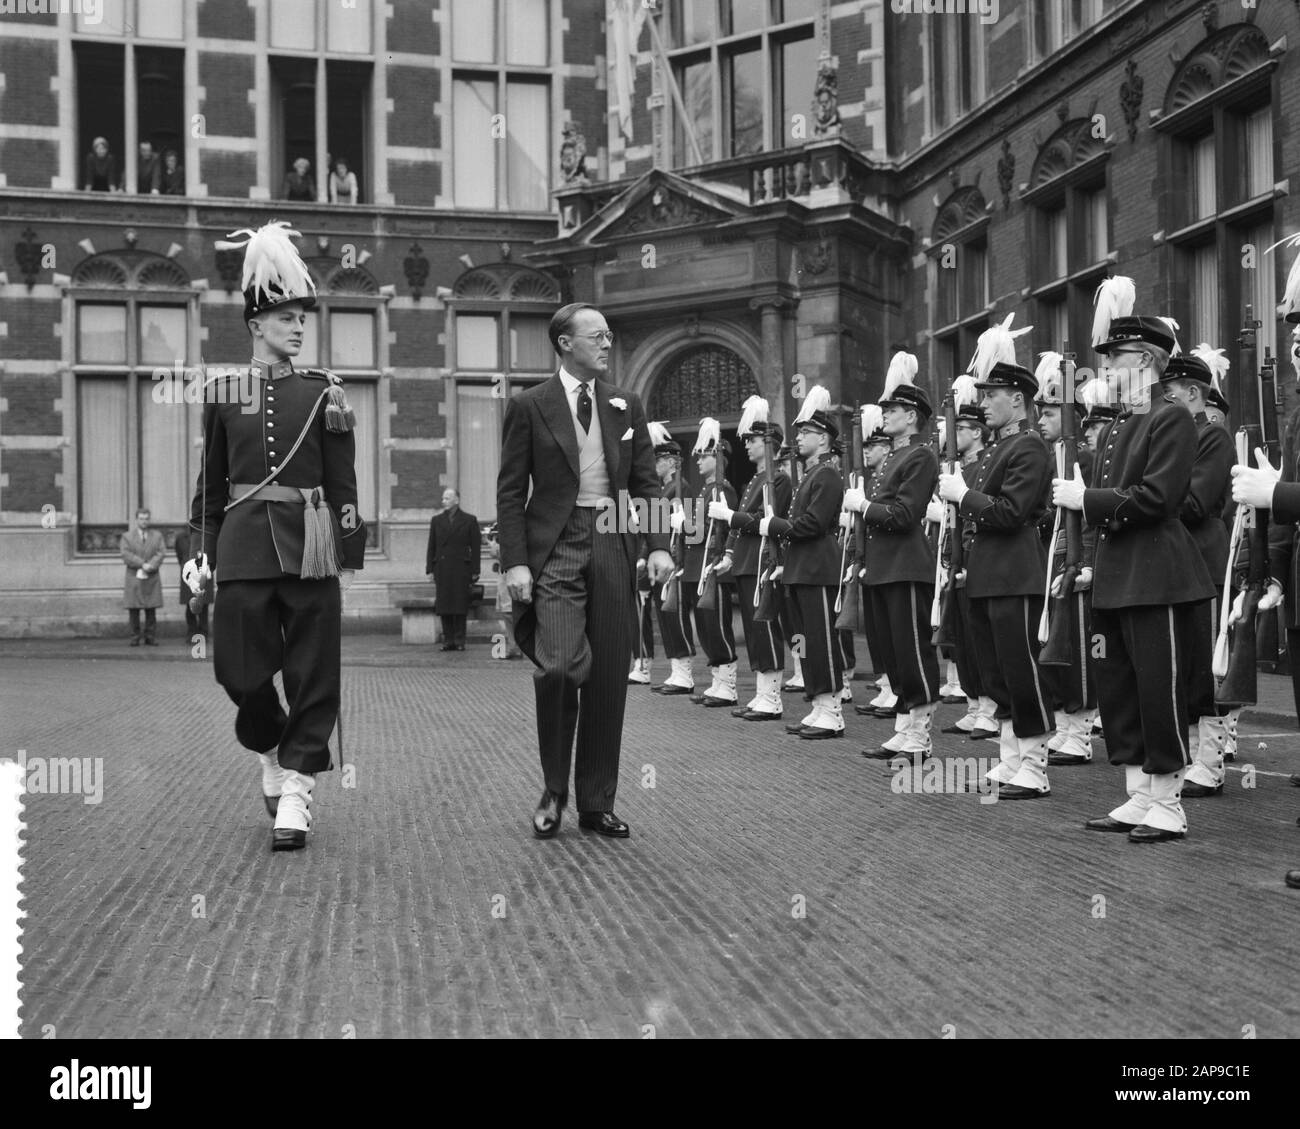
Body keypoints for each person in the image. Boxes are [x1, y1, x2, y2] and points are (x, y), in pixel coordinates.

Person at [186, 221, 366, 852]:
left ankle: (297, 788)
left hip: (310, 548)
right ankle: (270, 743)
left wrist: (347, 551)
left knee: (315, 671)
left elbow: (343, 487)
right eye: (286, 317)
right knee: (237, 670)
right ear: (256, 323)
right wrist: (197, 556)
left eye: (301, 319)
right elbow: (210, 487)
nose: (297, 327)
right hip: (239, 547)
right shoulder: (222, 393)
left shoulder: (325, 395)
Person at [497, 302, 672, 840]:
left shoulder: (627, 404)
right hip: (556, 547)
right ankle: (554, 787)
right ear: (564, 344)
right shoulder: (530, 405)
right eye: (595, 336)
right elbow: (509, 491)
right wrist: (516, 562)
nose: (606, 343)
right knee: (558, 667)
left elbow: (645, 484)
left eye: (609, 334)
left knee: (607, 676)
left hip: (614, 542)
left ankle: (596, 802)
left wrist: (660, 546)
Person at [1052, 277, 1215, 842]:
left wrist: (1088, 501)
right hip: (1119, 574)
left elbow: (1158, 499)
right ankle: (1138, 793)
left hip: (1159, 574)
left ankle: (1168, 802)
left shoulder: (1168, 416)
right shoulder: (1119, 425)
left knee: (1158, 686)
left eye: (1114, 356)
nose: (1104, 367)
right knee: (1119, 687)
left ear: (1144, 360)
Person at [938, 315, 1055, 799]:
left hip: (1014, 575)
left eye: (991, 397)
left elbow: (1010, 513)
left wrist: (963, 496)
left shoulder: (1028, 448)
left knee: (1021, 670)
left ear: (1018, 401)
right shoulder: (993, 451)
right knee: (996, 673)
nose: (983, 404)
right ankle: (1011, 757)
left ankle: (1034, 764)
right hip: (985, 575)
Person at [844, 354, 940, 761]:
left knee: (913, 650)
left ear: (913, 416)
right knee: (892, 653)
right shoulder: (892, 457)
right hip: (883, 568)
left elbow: (902, 516)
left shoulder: (920, 456)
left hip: (905, 566)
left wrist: (864, 507)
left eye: (893, 409)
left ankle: (921, 733)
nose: (886, 414)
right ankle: (904, 726)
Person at [1162, 348, 1235, 797]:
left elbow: (1195, 502)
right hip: (1173, 564)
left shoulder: (1211, 437)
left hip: (1204, 564)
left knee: (1206, 669)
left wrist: (1146, 499)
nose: (1162, 401)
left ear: (1193, 393)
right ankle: (1190, 754)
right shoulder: (1170, 436)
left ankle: (1210, 762)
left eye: (1168, 393)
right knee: (1183, 668)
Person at [763, 385, 844, 739]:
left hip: (817, 568)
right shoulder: (809, 475)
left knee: (820, 640)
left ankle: (833, 710)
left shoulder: (826, 474)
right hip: (801, 569)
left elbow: (812, 524)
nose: (799, 437)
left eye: (806, 432)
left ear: (824, 439)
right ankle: (817, 703)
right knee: (803, 641)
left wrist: (775, 525)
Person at [1033, 352, 1098, 767]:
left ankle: (1081, 731)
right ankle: (1064, 724)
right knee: (1054, 646)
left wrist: (1088, 563)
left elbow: (1091, 516)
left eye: (1051, 411)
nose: (1041, 418)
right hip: (1052, 559)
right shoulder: (1051, 455)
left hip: (1077, 561)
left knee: (1078, 649)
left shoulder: (1086, 459)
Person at [712, 396, 791, 720]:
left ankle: (772, 696)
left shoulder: (779, 479)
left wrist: (730, 517)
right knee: (753, 628)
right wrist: (730, 551)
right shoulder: (754, 480)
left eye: (753, 440)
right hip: (746, 560)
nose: (747, 445)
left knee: (765, 627)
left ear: (769, 443)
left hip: (762, 559)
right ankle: (761, 692)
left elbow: (763, 519)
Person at [681, 422, 738, 707]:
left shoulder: (722, 490)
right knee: (705, 629)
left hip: (714, 568)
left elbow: (725, 530)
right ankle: (718, 682)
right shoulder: (707, 491)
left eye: (704, 456)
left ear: (717, 460)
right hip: (700, 567)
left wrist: (686, 524)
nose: (699, 460)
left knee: (717, 628)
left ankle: (727, 686)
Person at [647, 422, 697, 695]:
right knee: (665, 615)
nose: (654, 465)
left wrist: (682, 521)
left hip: (676, 560)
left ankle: (684, 673)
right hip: (662, 559)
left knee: (675, 614)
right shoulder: (661, 491)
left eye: (658, 460)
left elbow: (691, 527)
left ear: (669, 462)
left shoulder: (681, 487)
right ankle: (676, 669)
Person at [425, 488, 481, 651]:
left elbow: (475, 548)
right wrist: (430, 569)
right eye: (443, 498)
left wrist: (475, 570)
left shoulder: (470, 520)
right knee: (444, 604)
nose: (444, 501)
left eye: (447, 498)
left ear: (456, 500)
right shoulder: (436, 520)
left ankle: (460, 640)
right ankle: (448, 640)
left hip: (461, 568)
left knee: (459, 605)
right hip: (442, 568)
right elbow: (431, 546)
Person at [120, 508, 164, 645]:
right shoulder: (127, 537)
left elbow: (161, 552)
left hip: (151, 575)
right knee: (134, 609)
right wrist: (142, 564)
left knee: (151, 608)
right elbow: (126, 554)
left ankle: (150, 636)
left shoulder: (157, 536)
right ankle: (135, 637)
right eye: (141, 518)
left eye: (146, 518)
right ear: (136, 520)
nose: (144, 521)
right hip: (134, 576)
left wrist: (151, 564)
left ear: (149, 520)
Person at [174, 527, 209, 642]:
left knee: (203, 605)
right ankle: (192, 632)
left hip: (203, 573)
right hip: (189, 575)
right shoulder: (181, 537)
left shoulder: (207, 534)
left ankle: (204, 632)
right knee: (190, 605)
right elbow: (179, 554)